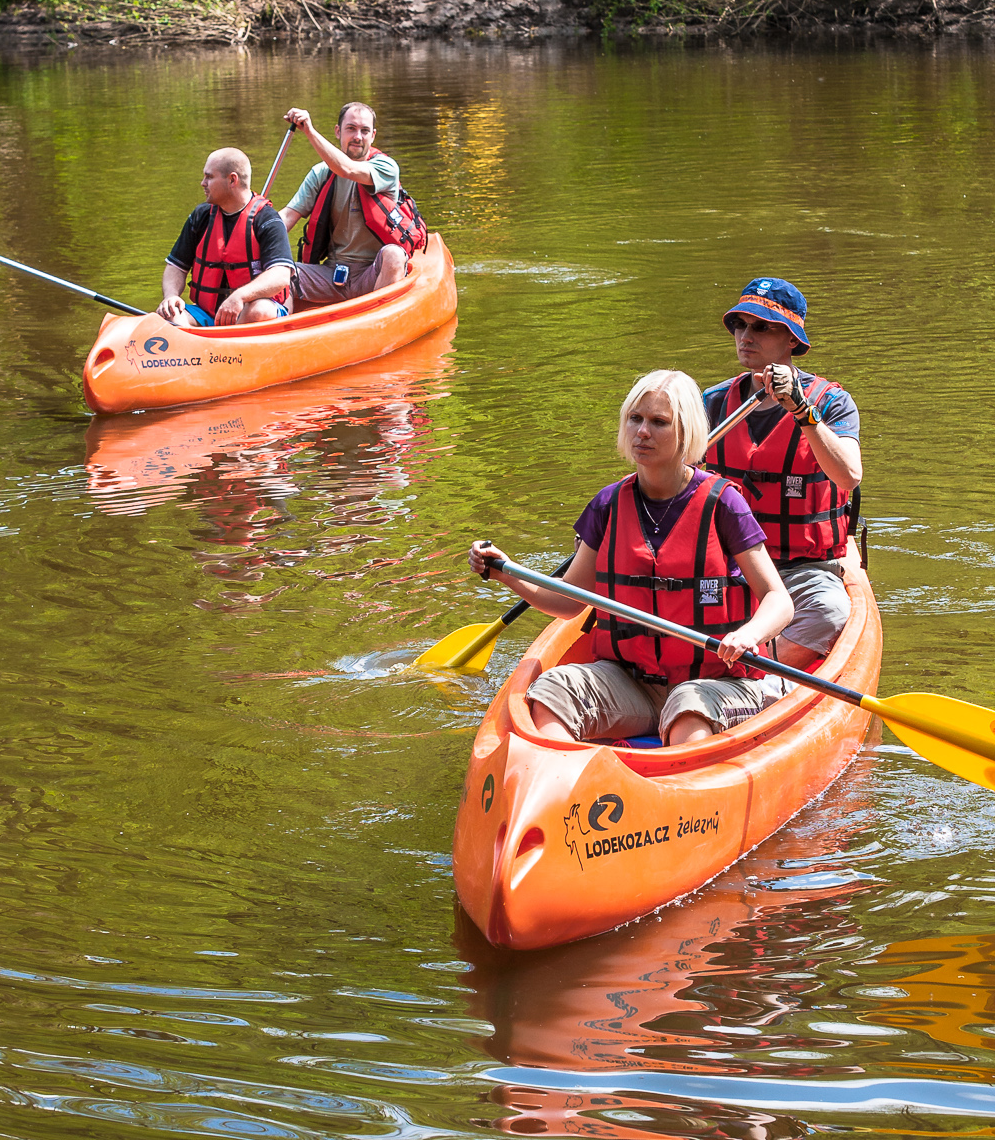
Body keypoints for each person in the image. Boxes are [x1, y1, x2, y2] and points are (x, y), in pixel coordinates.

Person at [469, 370, 793, 748]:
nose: (642, 431)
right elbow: (569, 601)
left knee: (687, 711)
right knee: (552, 691)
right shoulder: (608, 505)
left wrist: (749, 635)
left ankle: (679, 795)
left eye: (659, 422)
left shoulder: (724, 504)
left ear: (686, 432)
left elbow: (779, 600)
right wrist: (506, 572)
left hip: (713, 683)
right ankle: (563, 786)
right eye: (635, 419)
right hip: (632, 682)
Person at [703, 277, 862, 672]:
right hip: (726, 564)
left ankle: (750, 677)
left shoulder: (833, 403)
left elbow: (849, 476)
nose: (745, 335)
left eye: (761, 327)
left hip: (802, 569)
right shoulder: (712, 401)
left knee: (828, 611)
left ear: (792, 339)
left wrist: (802, 410)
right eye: (740, 325)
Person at [280, 102, 425, 307]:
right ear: (338, 132)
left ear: (373, 136)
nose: (358, 136)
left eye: (364, 131)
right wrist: (253, 235)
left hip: (373, 272)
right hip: (332, 273)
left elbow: (347, 169)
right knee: (278, 273)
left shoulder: (386, 167)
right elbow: (287, 216)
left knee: (394, 254)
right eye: (351, 129)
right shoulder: (321, 173)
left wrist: (310, 131)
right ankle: (281, 330)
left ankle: (378, 321)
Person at [158, 148, 294, 326]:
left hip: (251, 312)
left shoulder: (267, 219)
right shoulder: (201, 216)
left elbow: (280, 276)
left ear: (232, 180)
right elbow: (176, 266)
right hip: (207, 313)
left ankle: (232, 347)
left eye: (209, 177)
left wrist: (239, 296)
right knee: (171, 316)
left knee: (259, 310)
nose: (203, 183)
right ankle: (206, 346)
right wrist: (171, 296)